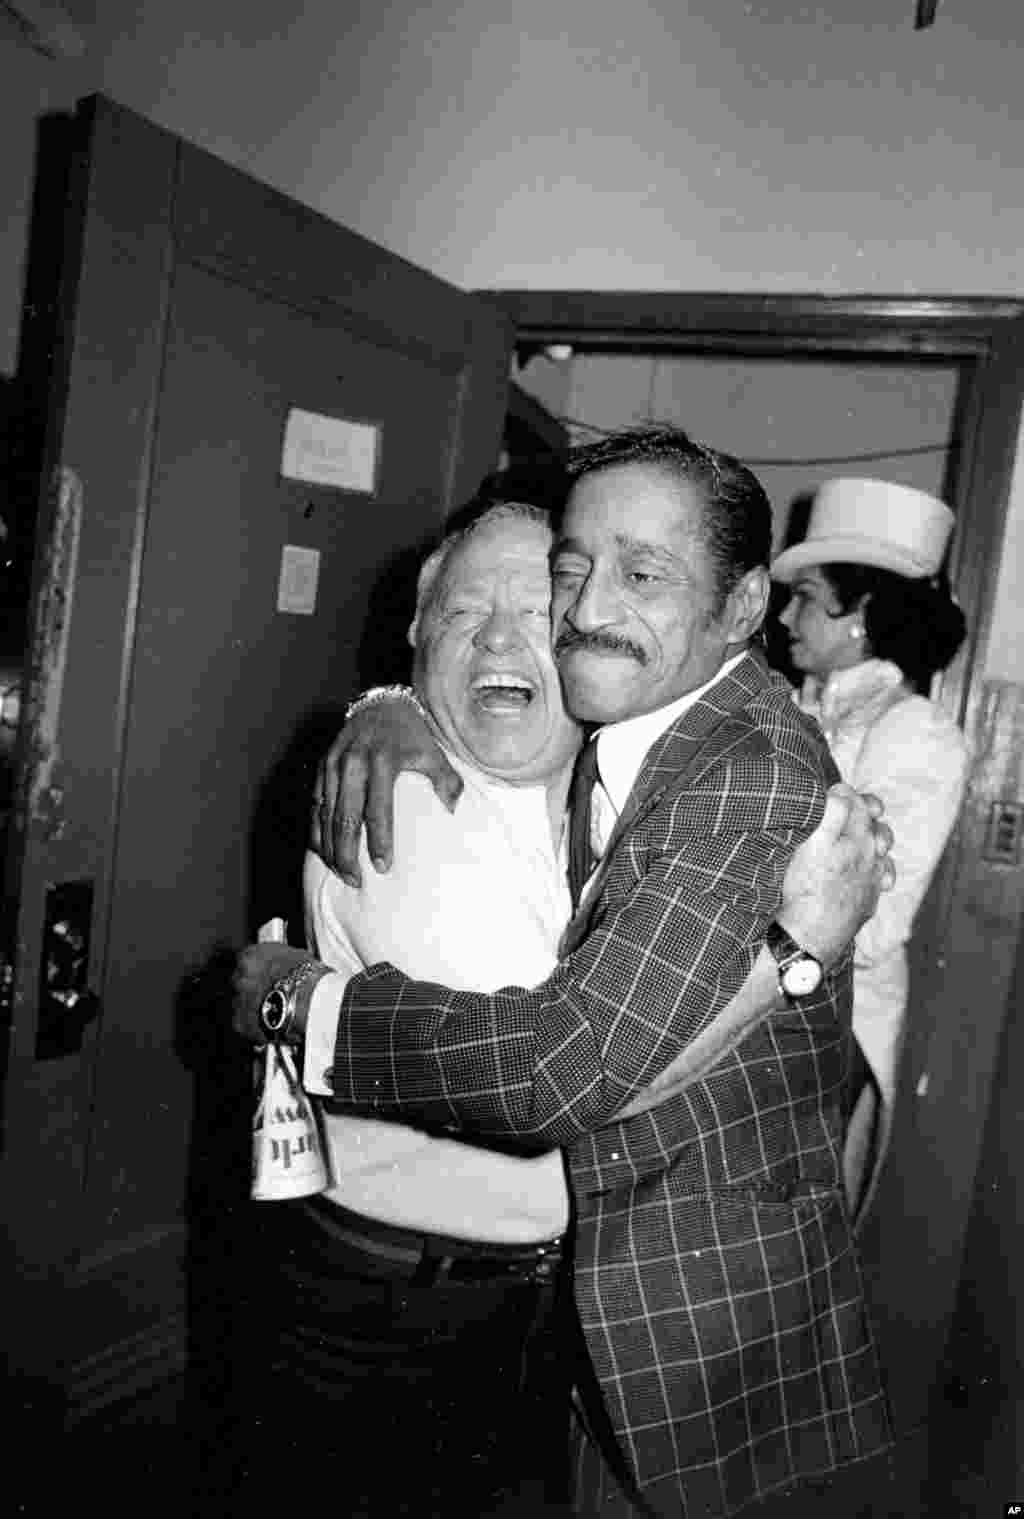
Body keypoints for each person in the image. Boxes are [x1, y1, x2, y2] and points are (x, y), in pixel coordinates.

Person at [235, 429, 895, 1517]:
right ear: (409, 637)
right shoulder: (394, 795)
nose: (548, 624)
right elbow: (552, 1071)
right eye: (462, 614)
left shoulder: (633, 767)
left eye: (537, 611)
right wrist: (377, 709)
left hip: (600, 1307)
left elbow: (558, 1068)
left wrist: (793, 956)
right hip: (406, 1298)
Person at [772, 476, 969, 1224]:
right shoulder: (787, 708)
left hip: (829, 1037)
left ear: (862, 614)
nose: (786, 613)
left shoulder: (917, 734)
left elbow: (875, 923)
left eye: (808, 594)